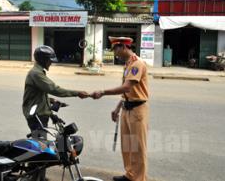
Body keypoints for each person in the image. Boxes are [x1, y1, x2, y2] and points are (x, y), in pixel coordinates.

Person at [22, 45, 89, 181]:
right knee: (40, 149)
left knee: (41, 147)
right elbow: (54, 89)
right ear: (43, 60)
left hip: (41, 115)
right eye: (50, 60)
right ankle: (35, 177)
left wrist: (53, 106)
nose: (51, 63)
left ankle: (38, 176)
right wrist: (77, 93)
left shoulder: (39, 72)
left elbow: (42, 94)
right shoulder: (36, 74)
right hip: (37, 117)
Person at [91, 37, 149, 181]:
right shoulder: (128, 64)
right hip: (126, 108)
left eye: (116, 50)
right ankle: (130, 175)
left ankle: (139, 178)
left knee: (138, 148)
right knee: (127, 146)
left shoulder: (137, 64)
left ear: (123, 47)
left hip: (137, 110)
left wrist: (103, 92)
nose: (115, 53)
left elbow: (126, 87)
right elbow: (126, 93)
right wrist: (117, 108)